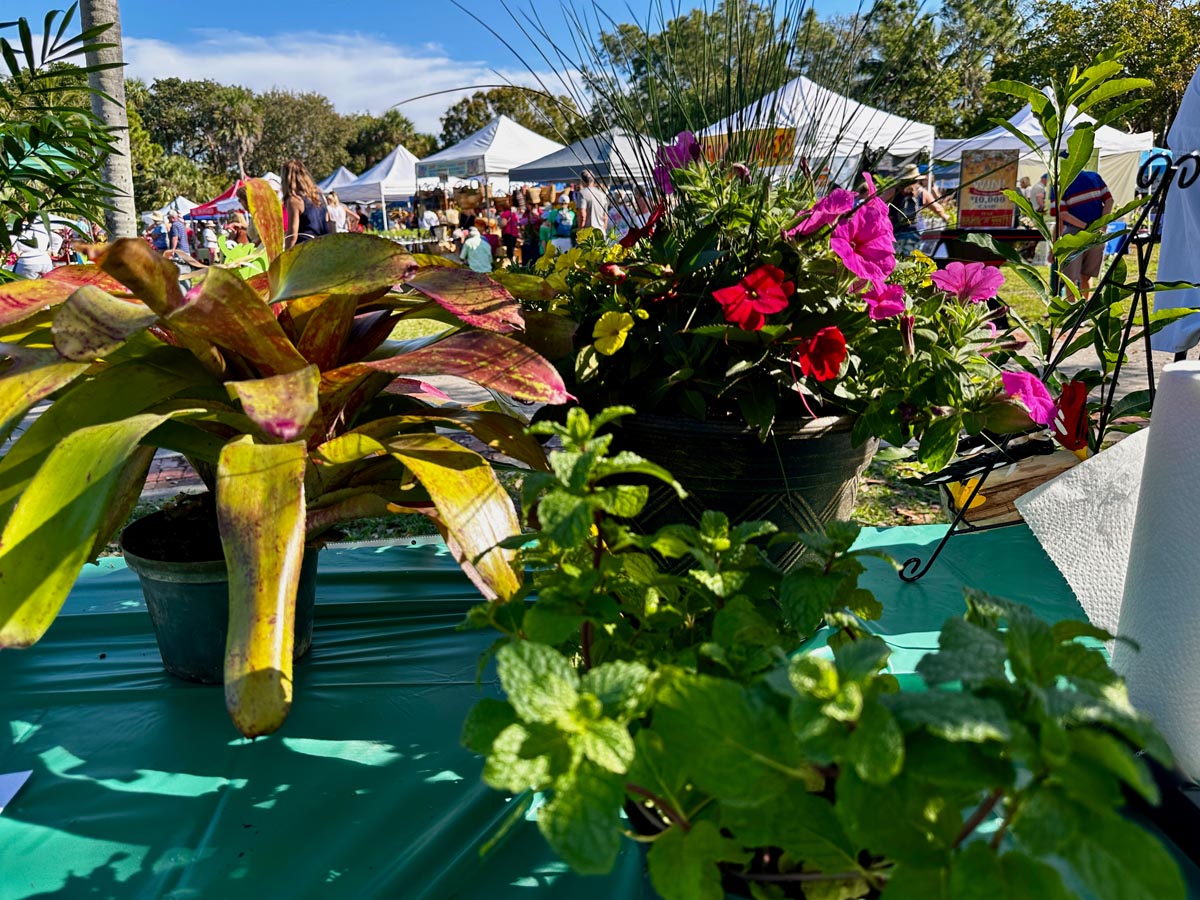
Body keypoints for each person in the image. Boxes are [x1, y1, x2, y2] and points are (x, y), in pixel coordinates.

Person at [1052, 166, 1113, 295]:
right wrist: (1102, 224)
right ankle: (1086, 306)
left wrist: (1085, 227)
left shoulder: (1060, 186)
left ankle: (1074, 310)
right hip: (1097, 232)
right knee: (1087, 275)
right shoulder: (1094, 177)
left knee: (1070, 278)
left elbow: (1062, 215)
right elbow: (1109, 200)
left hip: (1074, 234)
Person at [887, 164, 948, 256]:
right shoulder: (921, 192)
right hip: (916, 230)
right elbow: (937, 208)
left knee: (896, 257)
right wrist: (945, 217)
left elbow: (877, 204)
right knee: (913, 257)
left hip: (896, 231)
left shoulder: (893, 190)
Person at [281, 159, 331, 249]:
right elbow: (328, 222)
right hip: (323, 246)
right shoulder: (319, 195)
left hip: (305, 249)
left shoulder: (294, 200)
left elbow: (292, 235)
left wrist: (285, 257)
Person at [576, 169, 609, 234]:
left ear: (582, 180)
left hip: (588, 232)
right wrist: (603, 229)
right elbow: (605, 216)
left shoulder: (582, 193)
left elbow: (582, 214)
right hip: (601, 231)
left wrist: (580, 230)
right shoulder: (602, 194)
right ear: (593, 180)